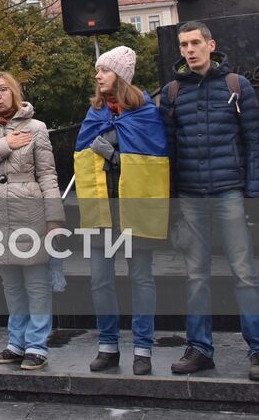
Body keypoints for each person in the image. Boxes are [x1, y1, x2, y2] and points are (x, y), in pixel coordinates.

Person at [159, 22, 259, 380]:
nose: (189, 50)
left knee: (245, 274)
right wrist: (173, 202)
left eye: (195, 43)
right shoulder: (172, 92)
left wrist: (254, 195)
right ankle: (199, 348)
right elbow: (169, 152)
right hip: (191, 195)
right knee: (195, 276)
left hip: (230, 192)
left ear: (211, 45)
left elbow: (256, 143)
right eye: (183, 45)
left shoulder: (237, 87)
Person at [75, 46, 168, 376]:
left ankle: (142, 349)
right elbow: (85, 152)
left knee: (141, 279)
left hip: (135, 210)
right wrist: (105, 145)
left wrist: (114, 154)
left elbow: (152, 160)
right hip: (102, 210)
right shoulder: (95, 113)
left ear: (122, 76)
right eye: (97, 70)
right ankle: (108, 346)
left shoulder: (144, 111)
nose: (98, 76)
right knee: (101, 281)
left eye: (104, 70)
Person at [0, 73, 63, 371]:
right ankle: (16, 342)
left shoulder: (37, 128)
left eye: (3, 89)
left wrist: (55, 217)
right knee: (11, 285)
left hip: (29, 209)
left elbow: (47, 174)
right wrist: (5, 143)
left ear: (15, 93)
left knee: (36, 283)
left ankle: (36, 344)